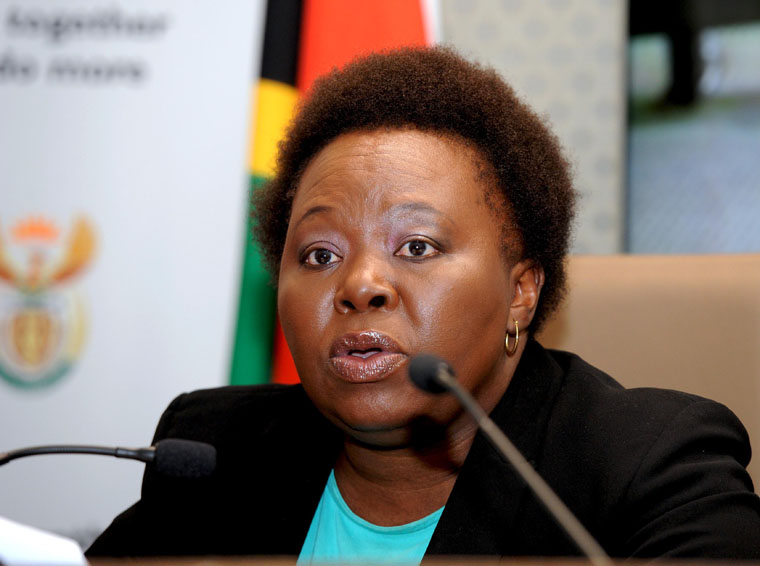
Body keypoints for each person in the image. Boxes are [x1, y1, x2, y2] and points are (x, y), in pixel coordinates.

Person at [87, 46, 760, 560]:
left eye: (416, 246)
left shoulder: (648, 472)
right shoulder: (214, 453)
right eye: (320, 255)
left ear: (521, 292)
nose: (359, 285)